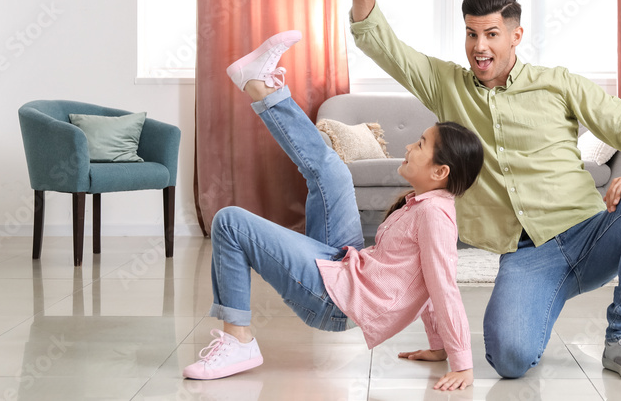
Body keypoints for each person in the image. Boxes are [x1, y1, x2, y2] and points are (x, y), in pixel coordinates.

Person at [332, 0, 621, 382]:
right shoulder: (446, 85)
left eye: (491, 34)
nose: (479, 46)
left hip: (589, 232)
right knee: (509, 359)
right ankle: (542, 299)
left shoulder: (557, 84)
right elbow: (385, 47)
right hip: (528, 255)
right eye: (471, 34)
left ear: (516, 36)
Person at [183, 30, 483, 390]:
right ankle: (262, 87)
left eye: (420, 145)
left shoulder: (434, 216)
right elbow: (426, 282)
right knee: (333, 172)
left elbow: (442, 286)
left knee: (230, 222)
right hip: (349, 266)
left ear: (440, 172)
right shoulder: (424, 204)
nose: (408, 147)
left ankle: (238, 341)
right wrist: (437, 347)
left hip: (335, 302)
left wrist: (461, 362)